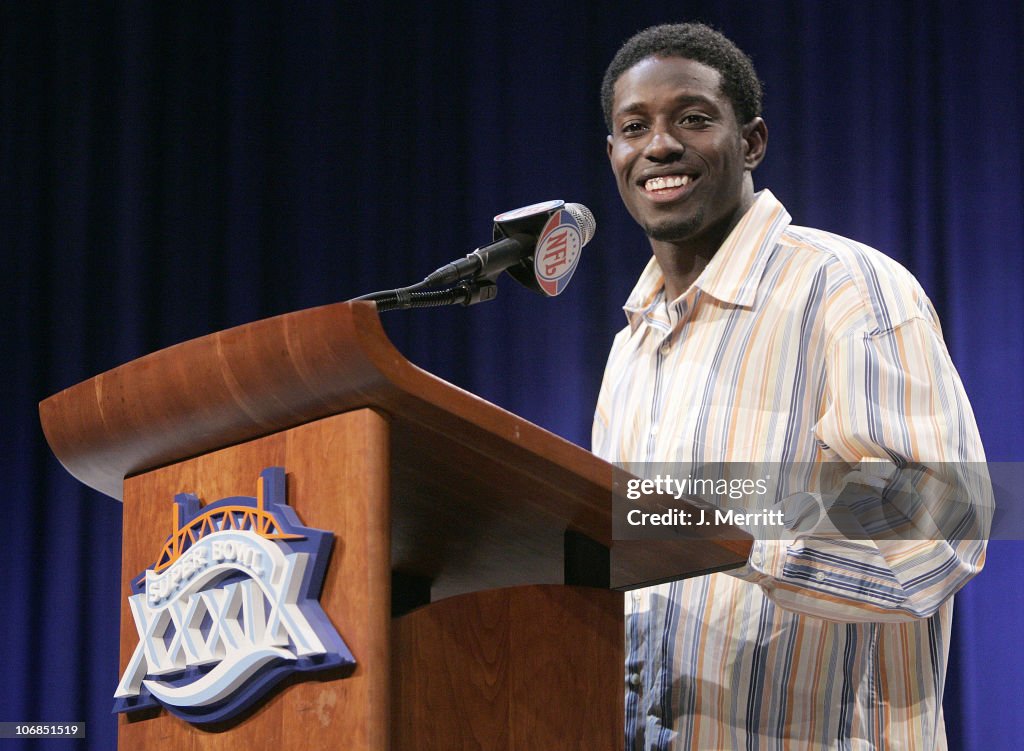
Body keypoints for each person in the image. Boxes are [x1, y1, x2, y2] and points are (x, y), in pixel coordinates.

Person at [592, 23, 989, 750]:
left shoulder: (847, 290)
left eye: (693, 118)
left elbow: (947, 522)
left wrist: (718, 519)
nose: (660, 145)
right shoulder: (631, 347)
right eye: (633, 127)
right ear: (613, 156)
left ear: (752, 142)